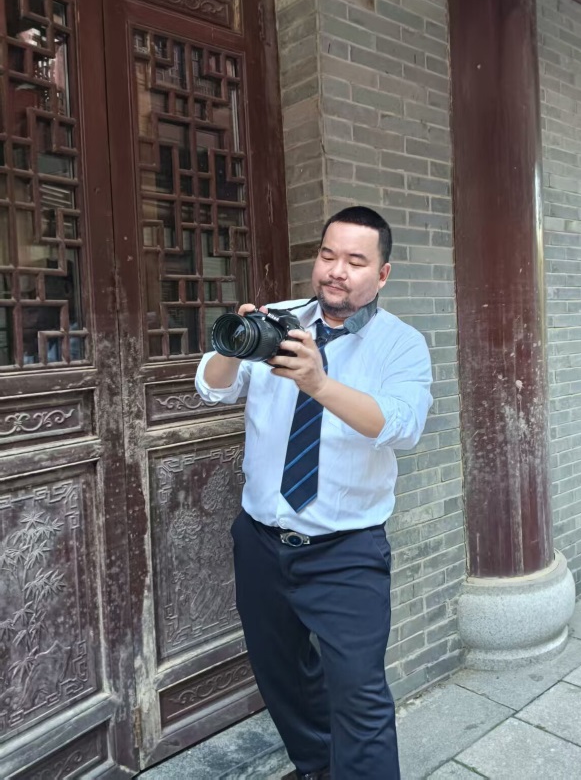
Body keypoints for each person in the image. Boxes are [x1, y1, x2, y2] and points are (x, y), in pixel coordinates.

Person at [195, 206, 432, 780]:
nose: (336, 271)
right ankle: (317, 769)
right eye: (328, 255)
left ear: (382, 274)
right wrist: (234, 343)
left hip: (345, 551)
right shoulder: (278, 321)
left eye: (355, 261)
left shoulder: (401, 343)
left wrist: (318, 383)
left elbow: (401, 427)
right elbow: (211, 388)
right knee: (283, 680)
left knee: (359, 695)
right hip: (260, 542)